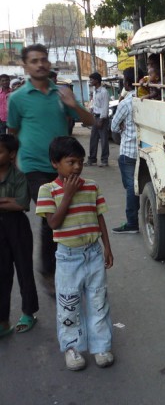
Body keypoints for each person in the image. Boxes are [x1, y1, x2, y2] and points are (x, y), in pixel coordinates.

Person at [7, 44, 94, 297]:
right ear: (25, 65)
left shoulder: (61, 93)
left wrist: (73, 104)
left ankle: (72, 265)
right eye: (34, 61)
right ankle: (49, 271)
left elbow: (89, 122)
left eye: (43, 60)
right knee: (51, 217)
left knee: (71, 214)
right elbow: (12, 134)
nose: (40, 64)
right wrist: (13, 168)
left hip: (63, 166)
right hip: (33, 166)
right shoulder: (17, 99)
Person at [36, 136, 114, 371]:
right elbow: (54, 224)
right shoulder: (47, 190)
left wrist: (107, 247)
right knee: (69, 304)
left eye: (80, 161)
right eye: (71, 162)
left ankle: (101, 346)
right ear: (55, 164)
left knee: (98, 301)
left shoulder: (91, 186)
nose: (77, 167)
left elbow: (99, 216)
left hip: (93, 254)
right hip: (68, 257)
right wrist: (68, 195)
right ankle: (72, 348)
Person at [0, 134, 39, 338]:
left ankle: (28, 313)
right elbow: (14, 202)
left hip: (18, 227)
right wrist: (7, 200)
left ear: (12, 155)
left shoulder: (19, 176)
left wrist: (8, 201)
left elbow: (22, 204)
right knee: (2, 273)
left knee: (24, 269)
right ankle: (3, 321)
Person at [111, 67, 139, 234]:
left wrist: (123, 126)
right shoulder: (153, 99)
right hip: (146, 151)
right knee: (134, 187)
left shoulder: (126, 103)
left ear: (127, 84)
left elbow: (114, 126)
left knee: (130, 187)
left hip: (128, 151)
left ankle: (132, 223)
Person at [86, 72, 110, 167]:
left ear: (97, 80)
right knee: (93, 139)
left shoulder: (104, 92)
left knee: (104, 140)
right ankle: (92, 159)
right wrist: (91, 110)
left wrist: (101, 119)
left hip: (101, 118)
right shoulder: (95, 91)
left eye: (91, 79)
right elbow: (95, 104)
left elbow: (105, 106)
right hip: (95, 117)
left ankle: (104, 160)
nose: (90, 81)